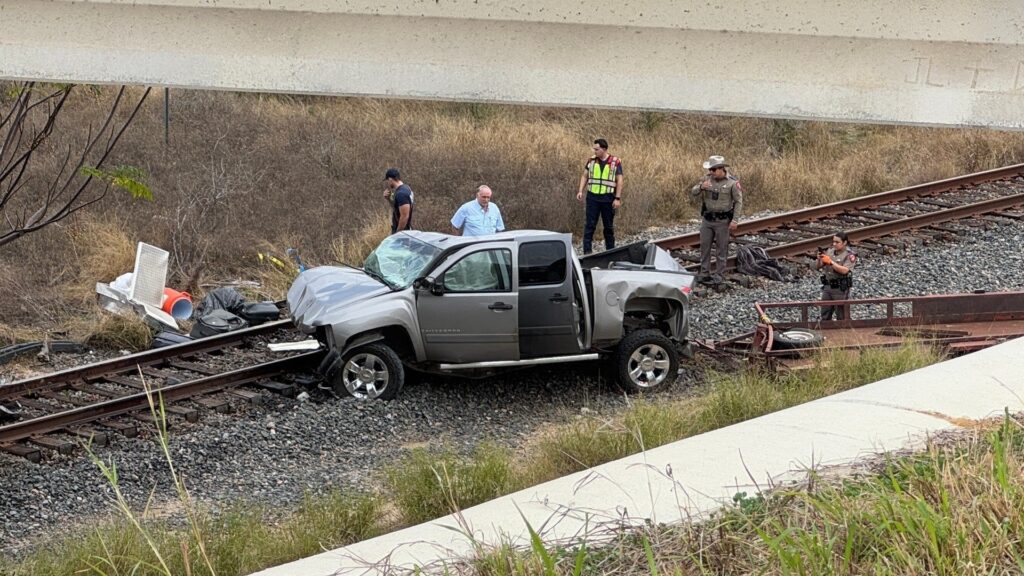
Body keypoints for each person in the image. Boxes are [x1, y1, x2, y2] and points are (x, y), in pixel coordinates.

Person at [690, 155, 743, 286]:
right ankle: (704, 272)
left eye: (713, 170)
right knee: (704, 247)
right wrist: (701, 187)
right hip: (707, 220)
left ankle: (719, 274)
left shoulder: (732, 183)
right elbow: (693, 192)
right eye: (710, 170)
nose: (711, 172)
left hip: (722, 221)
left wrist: (735, 220)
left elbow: (738, 202)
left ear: (721, 169)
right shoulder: (707, 179)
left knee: (721, 248)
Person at [576, 138, 623, 254]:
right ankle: (587, 252)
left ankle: (610, 251)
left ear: (604, 149)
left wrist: (617, 198)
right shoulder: (591, 161)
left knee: (608, 227)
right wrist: (580, 190)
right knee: (589, 226)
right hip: (592, 198)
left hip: (608, 199)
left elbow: (620, 180)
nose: (595, 151)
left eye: (597, 149)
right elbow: (585, 176)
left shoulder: (615, 162)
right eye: (594, 149)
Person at [817, 231, 857, 321]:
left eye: (837, 242)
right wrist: (820, 259)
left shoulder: (849, 255)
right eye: (833, 242)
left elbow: (844, 270)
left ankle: (843, 333)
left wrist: (831, 262)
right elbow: (819, 266)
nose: (834, 244)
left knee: (841, 314)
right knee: (825, 312)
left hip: (840, 288)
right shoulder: (830, 251)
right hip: (827, 286)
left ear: (845, 242)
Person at [383, 167, 414, 234]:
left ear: (390, 179)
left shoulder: (401, 194)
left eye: (387, 181)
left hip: (404, 233)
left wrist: (397, 234)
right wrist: (388, 199)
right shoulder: (406, 188)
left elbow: (404, 216)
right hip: (405, 231)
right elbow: (397, 209)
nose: (387, 183)